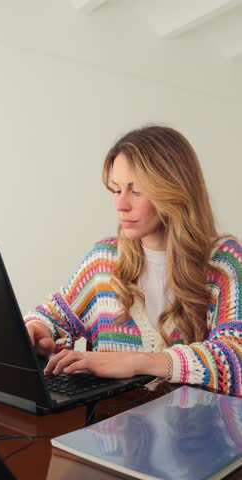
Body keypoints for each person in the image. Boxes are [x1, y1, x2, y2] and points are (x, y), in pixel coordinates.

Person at [25, 125, 242, 396]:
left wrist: (137, 362)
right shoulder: (103, 261)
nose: (121, 204)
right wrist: (38, 330)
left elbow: (236, 358)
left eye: (136, 191)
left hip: (196, 433)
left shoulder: (223, 262)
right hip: (112, 432)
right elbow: (50, 315)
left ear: (174, 190)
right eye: (117, 189)